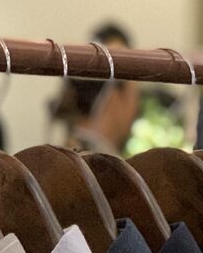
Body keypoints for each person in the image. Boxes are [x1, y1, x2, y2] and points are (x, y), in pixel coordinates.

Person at [54, 22, 142, 155]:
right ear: (114, 96)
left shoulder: (54, 161)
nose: (135, 107)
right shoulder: (110, 172)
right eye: (134, 92)